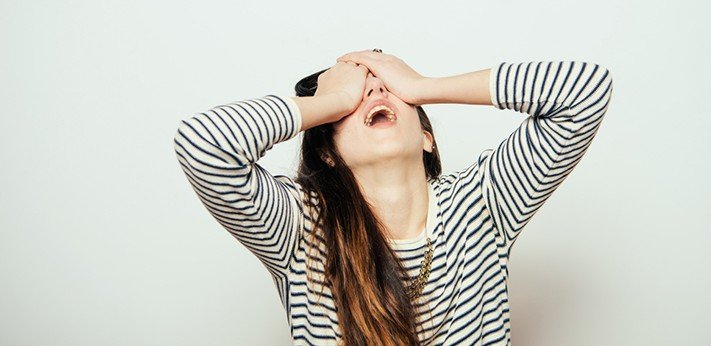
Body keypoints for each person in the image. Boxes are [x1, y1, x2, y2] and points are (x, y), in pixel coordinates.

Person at [173, 48, 614, 345]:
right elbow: (203, 145)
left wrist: (424, 85)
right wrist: (332, 98)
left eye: (387, 85)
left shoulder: (482, 204)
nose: (375, 91)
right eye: (356, 97)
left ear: (426, 137)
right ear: (327, 152)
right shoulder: (300, 226)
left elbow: (584, 92)